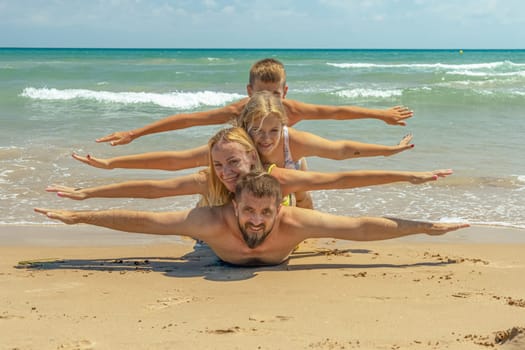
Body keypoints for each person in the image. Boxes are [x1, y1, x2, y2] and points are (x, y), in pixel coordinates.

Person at [35, 172, 470, 267]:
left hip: (288, 247)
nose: (257, 219)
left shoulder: (296, 222)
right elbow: (146, 219)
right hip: (214, 249)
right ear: (233, 207)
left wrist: (425, 227)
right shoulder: (209, 220)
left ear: (280, 208)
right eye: (249, 210)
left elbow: (361, 227)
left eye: (266, 212)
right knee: (194, 242)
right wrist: (79, 216)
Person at [48, 128, 451, 208]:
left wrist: (408, 173)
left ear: (253, 160)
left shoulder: (276, 175)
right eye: (219, 164)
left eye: (233, 164)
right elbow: (156, 184)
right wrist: (90, 190)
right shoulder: (210, 175)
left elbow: (341, 175)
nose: (226, 171)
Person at [95, 58, 414, 147]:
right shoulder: (237, 111)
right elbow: (187, 119)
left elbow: (336, 112)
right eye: (262, 93)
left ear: (284, 92)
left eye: (275, 94)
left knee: (300, 169)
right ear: (249, 91)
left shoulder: (292, 111)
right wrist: (135, 133)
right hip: (247, 162)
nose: (268, 100)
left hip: (283, 157)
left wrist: (380, 114)